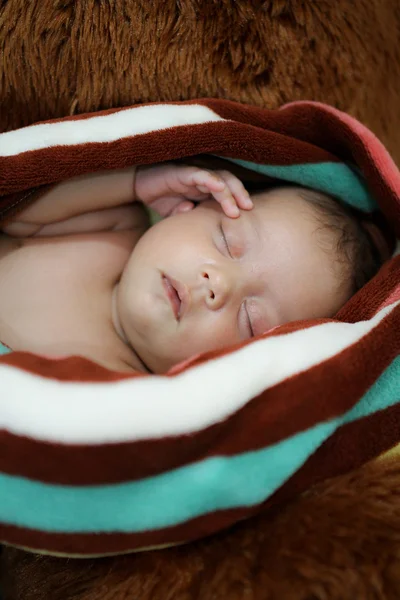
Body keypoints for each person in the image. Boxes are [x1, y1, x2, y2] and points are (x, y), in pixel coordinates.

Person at [0, 162, 389, 373]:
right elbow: (17, 213)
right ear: (196, 203)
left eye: (250, 321)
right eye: (225, 242)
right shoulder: (113, 224)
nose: (217, 284)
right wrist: (137, 183)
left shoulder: (125, 392)